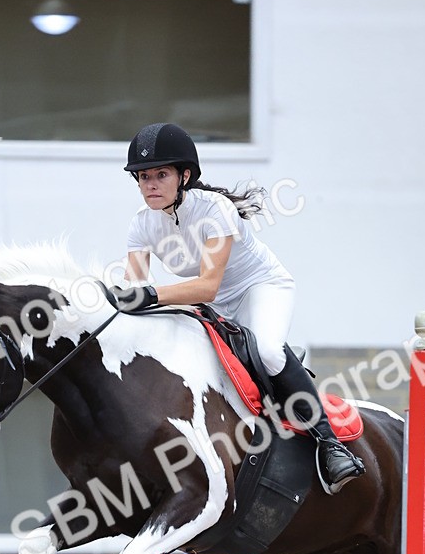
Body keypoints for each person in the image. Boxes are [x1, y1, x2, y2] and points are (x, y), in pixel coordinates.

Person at [114, 122, 365, 495]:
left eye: (161, 175)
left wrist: (150, 294)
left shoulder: (215, 209)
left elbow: (207, 285)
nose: (150, 184)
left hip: (258, 288)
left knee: (267, 352)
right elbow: (137, 287)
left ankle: (331, 445)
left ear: (185, 176)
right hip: (208, 303)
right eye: (143, 176)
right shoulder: (141, 224)